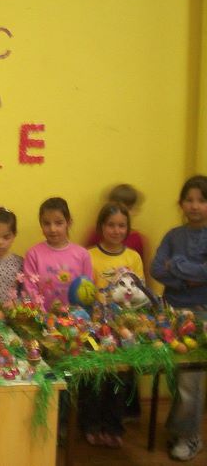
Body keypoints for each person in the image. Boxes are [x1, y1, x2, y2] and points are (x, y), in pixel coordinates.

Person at [80, 202, 145, 449]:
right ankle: (91, 425)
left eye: (121, 226)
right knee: (94, 378)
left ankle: (114, 426)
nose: (116, 230)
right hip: (95, 327)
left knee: (119, 378)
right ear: (101, 227)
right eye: (110, 225)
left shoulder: (133, 257)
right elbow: (85, 292)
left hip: (124, 329)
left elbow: (139, 292)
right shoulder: (88, 255)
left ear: (128, 228)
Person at [151, 175, 207, 461]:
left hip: (201, 313)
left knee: (190, 380)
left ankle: (189, 436)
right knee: (177, 377)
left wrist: (177, 265)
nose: (194, 206)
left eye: (202, 200)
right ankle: (180, 428)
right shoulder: (173, 236)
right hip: (171, 312)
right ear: (181, 203)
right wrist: (190, 277)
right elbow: (157, 269)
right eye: (189, 199)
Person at [23, 197, 93, 310]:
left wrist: (79, 314)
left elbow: (87, 289)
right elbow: (30, 288)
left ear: (68, 223)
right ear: (41, 224)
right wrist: (42, 314)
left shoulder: (83, 255)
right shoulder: (33, 254)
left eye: (58, 223)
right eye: (46, 223)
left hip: (76, 317)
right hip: (42, 317)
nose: (52, 229)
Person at [85, 183, 146, 260]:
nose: (121, 212)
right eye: (115, 208)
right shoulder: (97, 234)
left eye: (129, 208)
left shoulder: (136, 239)